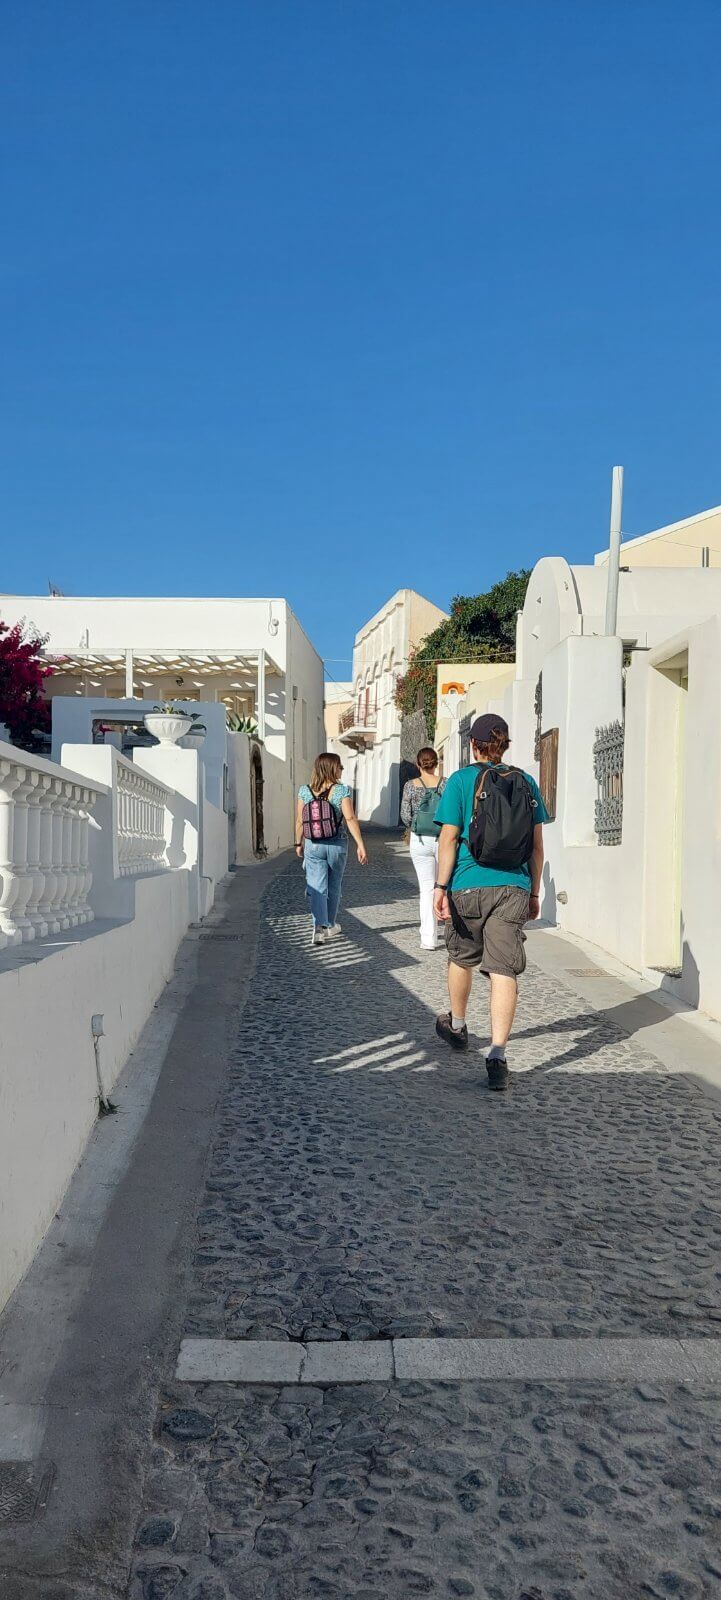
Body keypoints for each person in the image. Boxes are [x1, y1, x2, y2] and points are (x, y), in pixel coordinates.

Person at [432, 714, 549, 1090]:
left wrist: (440, 887)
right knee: (504, 970)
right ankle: (498, 1055)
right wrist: (533, 892)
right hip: (513, 886)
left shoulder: (460, 781)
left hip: (468, 883)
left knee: (461, 958)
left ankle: (458, 1026)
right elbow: (537, 847)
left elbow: (449, 839)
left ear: (473, 744)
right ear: (505, 745)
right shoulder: (526, 782)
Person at [295, 753, 368, 946]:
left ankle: (318, 929)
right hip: (336, 843)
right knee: (334, 885)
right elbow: (350, 818)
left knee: (317, 886)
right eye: (340, 766)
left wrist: (298, 843)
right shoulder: (341, 790)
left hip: (313, 844)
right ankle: (330, 925)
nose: (341, 769)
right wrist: (360, 845)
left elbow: (300, 821)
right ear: (332, 768)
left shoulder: (304, 791)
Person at [400, 747, 446, 950]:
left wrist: (416, 825)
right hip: (443, 839)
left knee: (426, 888)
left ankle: (428, 938)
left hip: (419, 840)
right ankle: (455, 931)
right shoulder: (445, 784)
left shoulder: (410, 785)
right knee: (445, 885)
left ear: (418, 764)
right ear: (436, 763)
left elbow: (405, 815)